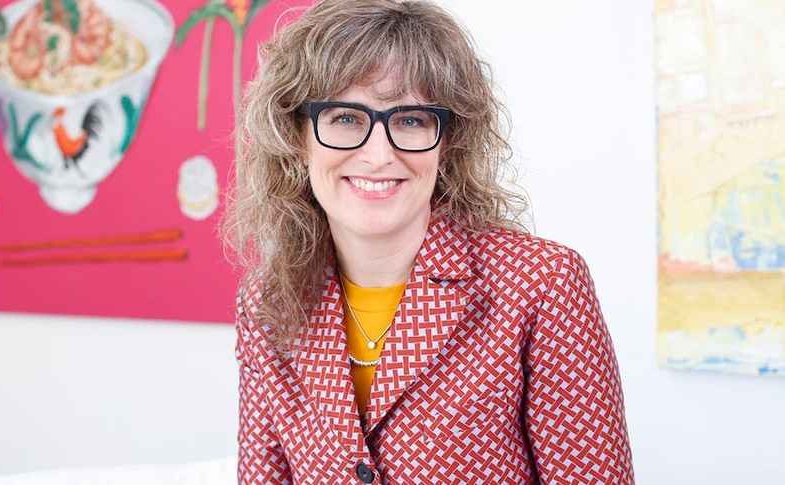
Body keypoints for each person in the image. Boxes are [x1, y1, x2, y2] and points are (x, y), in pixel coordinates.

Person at [223, 0, 635, 483]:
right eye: (345, 119)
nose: (379, 155)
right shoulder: (267, 304)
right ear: (297, 135)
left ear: (449, 140)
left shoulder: (542, 284)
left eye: (411, 120)